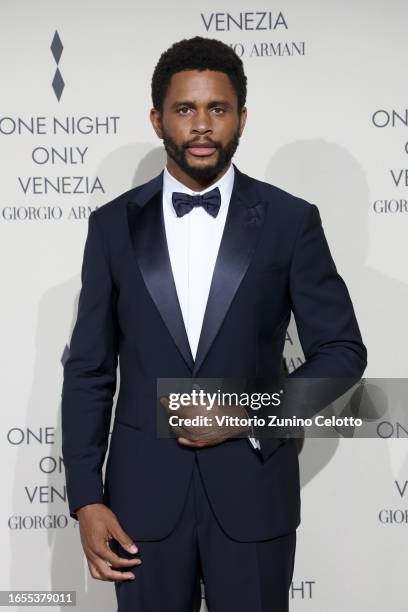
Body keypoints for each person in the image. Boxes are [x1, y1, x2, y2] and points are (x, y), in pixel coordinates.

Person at [61, 36, 367, 612]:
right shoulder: (111, 227)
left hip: (253, 493)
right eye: (185, 109)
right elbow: (88, 372)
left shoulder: (290, 220)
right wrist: (86, 499)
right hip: (140, 504)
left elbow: (343, 352)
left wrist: (244, 412)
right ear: (158, 120)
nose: (201, 126)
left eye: (217, 109)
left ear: (241, 118)